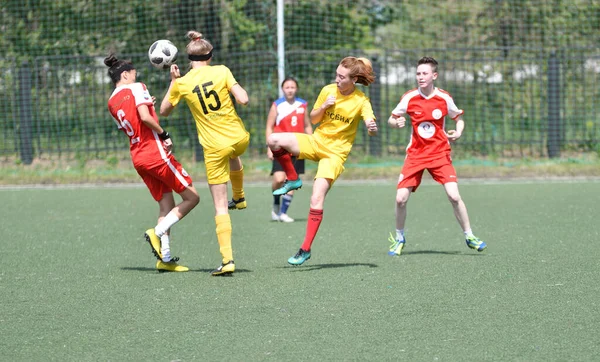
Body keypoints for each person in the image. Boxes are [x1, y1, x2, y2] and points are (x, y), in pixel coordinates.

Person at [267, 56, 378, 265]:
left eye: (341, 77)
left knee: (316, 199)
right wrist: (324, 106)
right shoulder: (328, 90)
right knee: (274, 140)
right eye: (336, 74)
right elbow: (315, 118)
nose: (337, 79)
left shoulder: (361, 100)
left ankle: (305, 249)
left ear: (353, 79)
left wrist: (372, 127)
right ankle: (293, 179)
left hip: (334, 155)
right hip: (316, 142)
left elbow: (370, 124)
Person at [160, 30, 250, 276]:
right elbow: (243, 99)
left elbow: (164, 111)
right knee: (234, 152)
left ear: (188, 58)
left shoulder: (183, 83)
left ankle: (228, 260)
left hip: (214, 149)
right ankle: (240, 196)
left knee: (220, 207)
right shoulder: (222, 71)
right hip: (239, 139)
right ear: (210, 55)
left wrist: (173, 81)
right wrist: (236, 90)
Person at [105, 54, 199, 272]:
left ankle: (164, 259)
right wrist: (165, 134)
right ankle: (156, 232)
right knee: (193, 197)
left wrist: (148, 106)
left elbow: (134, 118)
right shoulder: (137, 87)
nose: (136, 77)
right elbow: (146, 118)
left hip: (138, 157)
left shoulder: (111, 101)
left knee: (166, 204)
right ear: (125, 74)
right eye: (134, 74)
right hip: (154, 153)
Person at [387, 56, 486, 256]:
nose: (420, 77)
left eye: (424, 73)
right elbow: (392, 117)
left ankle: (469, 236)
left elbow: (458, 118)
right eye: (418, 73)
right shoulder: (409, 97)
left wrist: (458, 132)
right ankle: (399, 238)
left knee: (454, 195)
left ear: (434, 75)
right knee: (400, 199)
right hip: (415, 155)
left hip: (440, 153)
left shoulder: (443, 98)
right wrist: (394, 122)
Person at [265, 77, 312, 223]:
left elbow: (307, 125)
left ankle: (283, 213)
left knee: (292, 179)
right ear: (282, 89)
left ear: (296, 89)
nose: (290, 89)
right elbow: (269, 126)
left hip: (297, 148)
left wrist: (310, 142)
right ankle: (276, 203)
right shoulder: (277, 105)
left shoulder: (302, 105)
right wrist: (269, 147)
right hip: (280, 148)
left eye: (292, 87)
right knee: (279, 179)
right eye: (287, 87)